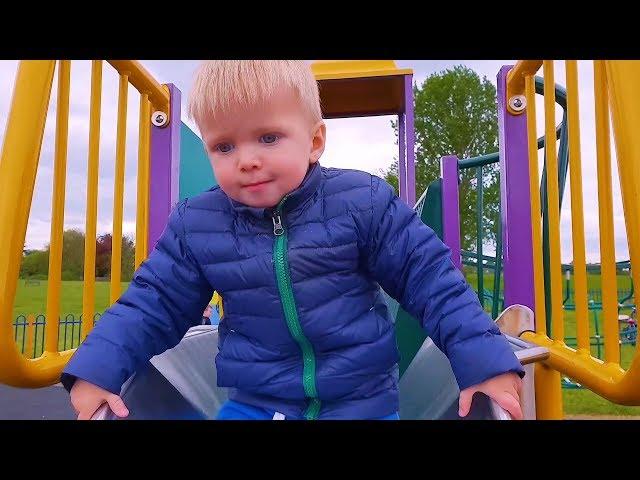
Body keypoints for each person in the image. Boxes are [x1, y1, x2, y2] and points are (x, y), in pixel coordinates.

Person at [62, 60, 524, 420]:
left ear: (314, 140)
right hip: (257, 404)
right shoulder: (197, 224)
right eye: (224, 146)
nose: (246, 160)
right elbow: (153, 301)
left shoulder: (361, 202)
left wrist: (484, 362)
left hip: (360, 402)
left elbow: (430, 280)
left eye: (267, 137)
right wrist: (97, 369)